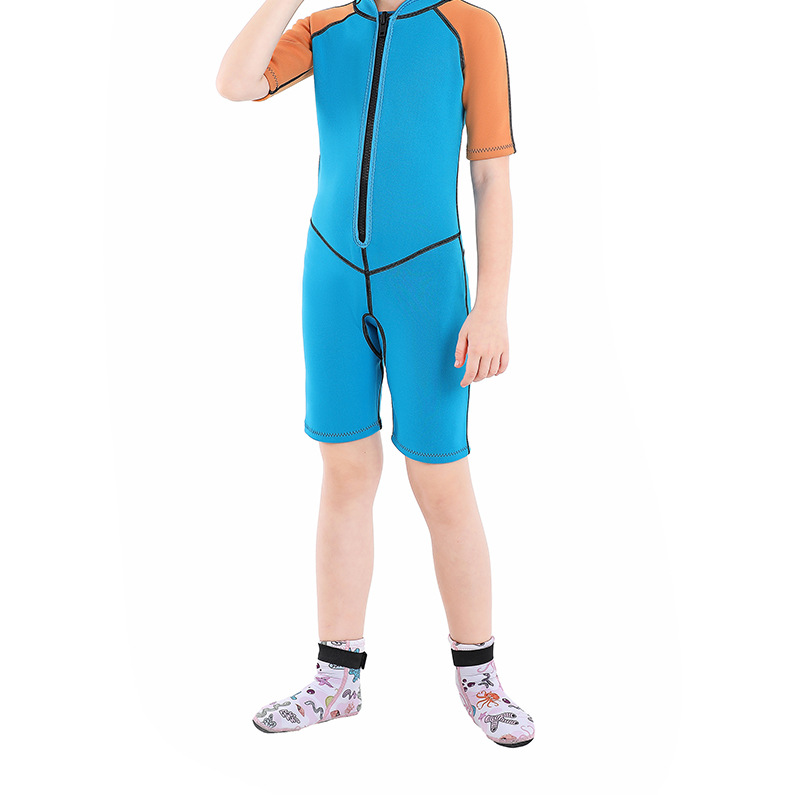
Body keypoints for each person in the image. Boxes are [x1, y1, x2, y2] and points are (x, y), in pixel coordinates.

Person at [216, 0, 534, 747]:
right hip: (330, 279)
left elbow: (491, 178)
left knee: (440, 477)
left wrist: (491, 307)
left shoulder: (468, 28)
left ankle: (480, 676)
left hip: (427, 286)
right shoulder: (326, 29)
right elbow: (234, 83)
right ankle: (336, 679)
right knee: (345, 471)